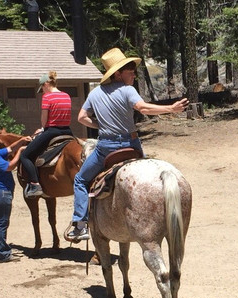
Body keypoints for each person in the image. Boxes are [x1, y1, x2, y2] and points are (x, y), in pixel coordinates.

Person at [64, 48, 189, 242]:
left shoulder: (95, 94)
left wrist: (99, 125)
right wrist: (170, 108)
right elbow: (142, 107)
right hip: (132, 145)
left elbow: (81, 118)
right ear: (117, 74)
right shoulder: (128, 90)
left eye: (132, 69)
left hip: (106, 148)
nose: (133, 73)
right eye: (129, 70)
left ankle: (80, 225)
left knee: (80, 180)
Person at [20, 70, 74, 199]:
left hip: (52, 131)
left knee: (25, 156)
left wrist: (43, 129)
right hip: (67, 130)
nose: (42, 91)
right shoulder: (66, 95)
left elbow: (44, 119)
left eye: (42, 88)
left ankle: (35, 184)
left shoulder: (47, 97)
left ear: (46, 84)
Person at [0, 133, 30, 263]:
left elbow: (9, 149)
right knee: (1, 224)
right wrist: (20, 151)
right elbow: (10, 166)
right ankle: (3, 254)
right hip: (1, 193)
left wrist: (21, 141)